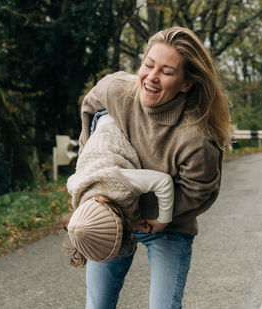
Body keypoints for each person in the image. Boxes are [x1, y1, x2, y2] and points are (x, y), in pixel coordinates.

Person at [78, 27, 232, 309]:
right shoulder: (115, 90)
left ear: (186, 84)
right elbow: (90, 107)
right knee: (97, 305)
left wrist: (152, 216)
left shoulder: (197, 137)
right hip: (115, 216)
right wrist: (94, 166)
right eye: (148, 65)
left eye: (167, 72)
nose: (151, 77)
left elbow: (199, 194)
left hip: (168, 223)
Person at [66, 112, 175, 265]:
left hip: (116, 118)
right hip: (98, 133)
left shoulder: (120, 182)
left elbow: (164, 181)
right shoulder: (77, 188)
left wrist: (163, 220)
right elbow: (70, 180)